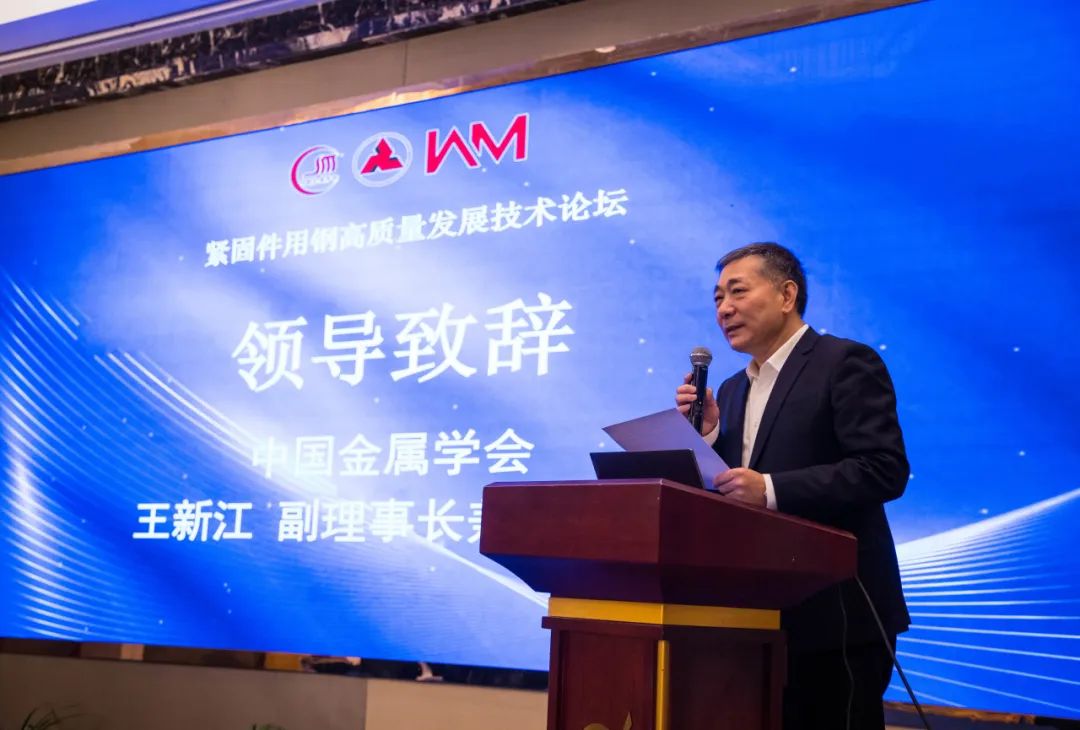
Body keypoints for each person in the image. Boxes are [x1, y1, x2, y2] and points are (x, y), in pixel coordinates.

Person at [674, 242, 910, 730]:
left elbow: (883, 469)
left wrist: (771, 488)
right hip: (757, 614)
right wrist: (710, 437)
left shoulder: (843, 362)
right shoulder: (732, 389)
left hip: (837, 616)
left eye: (737, 292)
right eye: (717, 298)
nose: (724, 309)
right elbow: (735, 487)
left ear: (786, 295)